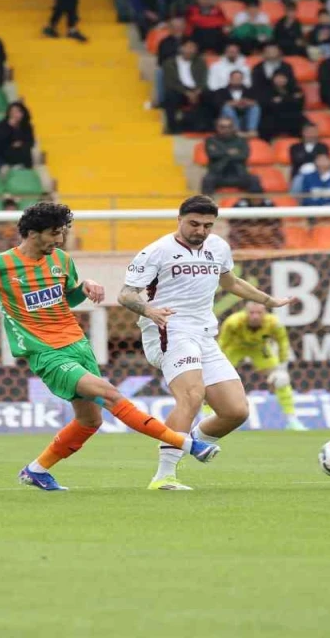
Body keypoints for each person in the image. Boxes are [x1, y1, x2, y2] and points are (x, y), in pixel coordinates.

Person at [0, 202, 220, 491]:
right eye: (54, 233)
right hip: (44, 352)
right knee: (110, 394)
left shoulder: (61, 259)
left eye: (63, 233)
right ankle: (188, 444)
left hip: (77, 344)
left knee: (89, 420)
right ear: (32, 233)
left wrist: (83, 288)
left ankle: (36, 470)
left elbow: (67, 300)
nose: (60, 239)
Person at [117, 196, 292, 489]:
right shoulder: (156, 252)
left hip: (204, 333)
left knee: (235, 411)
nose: (200, 231)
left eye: (207, 226)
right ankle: (164, 476)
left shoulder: (218, 247)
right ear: (179, 220)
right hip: (169, 329)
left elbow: (231, 282)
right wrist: (148, 310)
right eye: (194, 224)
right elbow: (125, 294)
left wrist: (268, 300)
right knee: (192, 396)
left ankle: (190, 443)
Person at [219, 300, 308, 432]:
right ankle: (208, 415)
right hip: (235, 348)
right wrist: (216, 363)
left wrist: (282, 367)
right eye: (252, 313)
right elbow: (222, 342)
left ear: (265, 313)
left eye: (259, 313)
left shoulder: (274, 323)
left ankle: (292, 419)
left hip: (259, 349)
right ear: (245, 313)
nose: (255, 316)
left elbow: (283, 343)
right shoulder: (233, 322)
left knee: (281, 379)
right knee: (215, 379)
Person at [202, 116, 261, 194]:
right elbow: (212, 154)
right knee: (207, 180)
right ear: (217, 128)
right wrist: (231, 152)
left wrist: (222, 152)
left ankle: (255, 202)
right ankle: (207, 202)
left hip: (238, 174)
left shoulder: (241, 140)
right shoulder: (211, 140)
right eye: (223, 127)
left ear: (233, 127)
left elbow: (243, 155)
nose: (226, 130)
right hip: (218, 174)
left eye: (229, 127)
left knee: (254, 180)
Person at [212, 70, 261, 137]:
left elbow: (257, 102)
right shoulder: (221, 91)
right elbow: (216, 104)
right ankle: (236, 131)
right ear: (230, 79)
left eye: (239, 78)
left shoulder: (250, 91)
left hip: (245, 118)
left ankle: (251, 130)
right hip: (227, 120)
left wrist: (246, 103)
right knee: (227, 108)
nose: (237, 80)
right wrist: (232, 103)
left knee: (255, 107)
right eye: (235, 78)